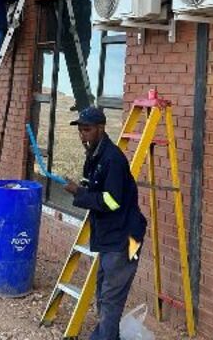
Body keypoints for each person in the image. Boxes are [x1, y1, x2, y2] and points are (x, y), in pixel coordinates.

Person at [64, 106, 147, 340]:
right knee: (103, 292)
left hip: (127, 239)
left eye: (87, 130)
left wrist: (79, 193)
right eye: (80, 131)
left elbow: (112, 201)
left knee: (111, 298)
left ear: (100, 128)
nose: (83, 135)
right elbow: (95, 188)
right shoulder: (95, 155)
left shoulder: (112, 159)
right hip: (111, 236)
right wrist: (82, 188)